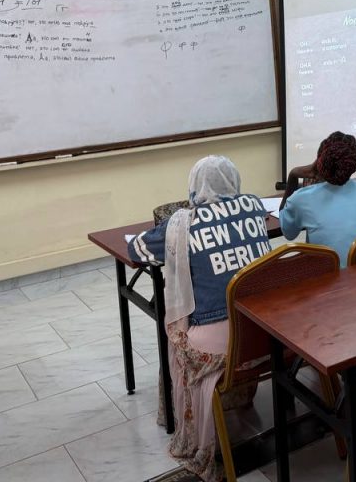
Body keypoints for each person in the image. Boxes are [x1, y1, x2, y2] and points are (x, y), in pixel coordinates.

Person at [127, 156, 271, 482]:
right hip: (265, 335)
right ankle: (240, 396)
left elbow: (137, 250)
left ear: (194, 187)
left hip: (220, 349)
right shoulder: (254, 206)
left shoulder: (182, 223)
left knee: (176, 337)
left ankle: (186, 426)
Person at [279, 131, 356, 266]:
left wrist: (293, 175)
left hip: (329, 276)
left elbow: (288, 232)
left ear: (320, 161)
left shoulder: (301, 198)